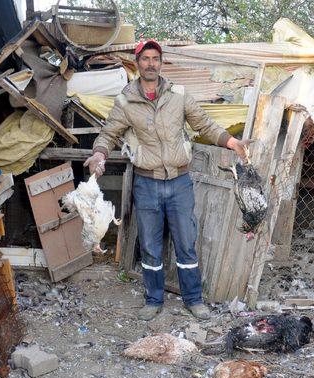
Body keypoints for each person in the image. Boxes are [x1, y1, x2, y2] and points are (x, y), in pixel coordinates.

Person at [85, 39, 249, 320]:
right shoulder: (125, 101)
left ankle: (194, 300)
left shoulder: (179, 95)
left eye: (155, 58)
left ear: (161, 63)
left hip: (179, 182)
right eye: (145, 58)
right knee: (150, 244)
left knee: (186, 242)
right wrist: (99, 154)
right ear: (137, 63)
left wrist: (232, 142)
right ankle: (153, 300)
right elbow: (109, 133)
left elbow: (203, 124)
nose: (151, 63)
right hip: (146, 183)